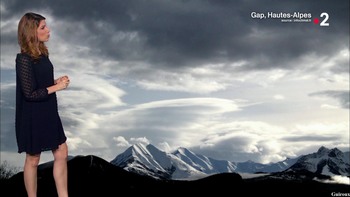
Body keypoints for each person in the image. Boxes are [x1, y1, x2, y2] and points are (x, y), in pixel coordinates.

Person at [16, 12, 70, 197]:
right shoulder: (23, 59)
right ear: (32, 32)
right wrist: (57, 87)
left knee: (62, 151)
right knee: (33, 159)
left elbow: (40, 83)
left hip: (48, 110)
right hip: (33, 113)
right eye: (43, 27)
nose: (48, 30)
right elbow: (29, 93)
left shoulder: (43, 55)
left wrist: (56, 81)